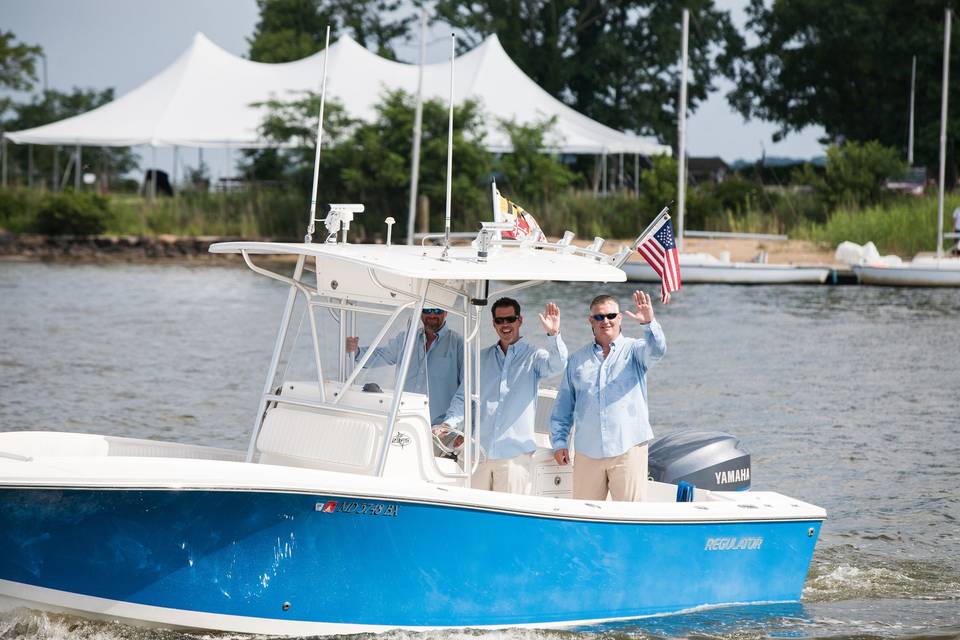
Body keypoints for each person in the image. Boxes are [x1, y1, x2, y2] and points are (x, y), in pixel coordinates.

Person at [438, 298, 566, 494]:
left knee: (507, 519)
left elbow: (558, 366)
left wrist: (553, 334)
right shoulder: (481, 359)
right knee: (473, 515)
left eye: (510, 319)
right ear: (494, 324)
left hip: (513, 458)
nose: (505, 325)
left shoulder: (534, 357)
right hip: (478, 455)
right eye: (500, 321)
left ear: (519, 320)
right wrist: (448, 425)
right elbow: (463, 397)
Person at [550, 291, 666, 502]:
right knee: (584, 519)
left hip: (628, 449)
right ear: (591, 321)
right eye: (599, 317)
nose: (606, 321)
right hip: (587, 452)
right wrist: (559, 443)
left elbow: (657, 350)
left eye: (611, 315)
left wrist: (649, 323)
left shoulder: (635, 350)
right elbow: (563, 407)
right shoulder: (576, 360)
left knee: (630, 519)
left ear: (619, 318)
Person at [346, 308, 463, 425]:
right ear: (420, 312)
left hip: (439, 430)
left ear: (446, 313)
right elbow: (381, 356)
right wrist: (356, 351)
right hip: (404, 423)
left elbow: (466, 391)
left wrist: (450, 425)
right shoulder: (406, 339)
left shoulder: (459, 344)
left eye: (437, 311)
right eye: (427, 310)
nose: (432, 315)